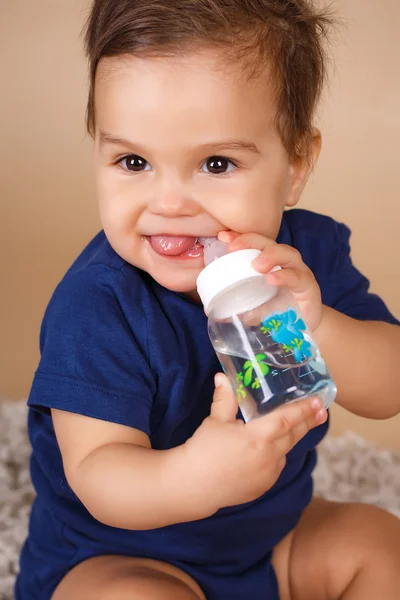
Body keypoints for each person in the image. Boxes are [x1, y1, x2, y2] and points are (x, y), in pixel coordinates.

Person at [16, 1, 400, 599]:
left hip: (271, 542)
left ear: (295, 164)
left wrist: (318, 327)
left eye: (216, 164)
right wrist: (191, 478)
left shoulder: (303, 263)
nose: (169, 203)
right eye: (133, 161)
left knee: (380, 548)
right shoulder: (99, 304)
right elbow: (98, 473)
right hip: (119, 556)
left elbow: (390, 384)